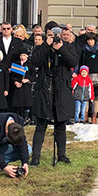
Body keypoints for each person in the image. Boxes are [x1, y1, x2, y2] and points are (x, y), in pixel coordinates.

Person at [29, 27, 79, 165]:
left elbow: (73, 62)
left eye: (57, 35)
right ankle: (35, 157)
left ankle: (62, 155)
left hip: (61, 90)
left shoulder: (68, 47)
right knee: (40, 125)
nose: (54, 38)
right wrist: (47, 45)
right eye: (51, 35)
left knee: (60, 124)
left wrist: (60, 48)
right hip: (45, 89)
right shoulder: (42, 47)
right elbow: (35, 61)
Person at [8, 47, 34, 123]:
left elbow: (33, 74)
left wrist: (28, 80)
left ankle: (26, 118)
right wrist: (16, 82)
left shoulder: (30, 64)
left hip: (26, 86)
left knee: (26, 102)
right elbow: (13, 75)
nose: (22, 57)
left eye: (24, 55)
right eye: (21, 55)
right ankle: (19, 117)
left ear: (27, 56)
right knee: (18, 103)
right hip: (18, 86)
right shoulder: (16, 64)